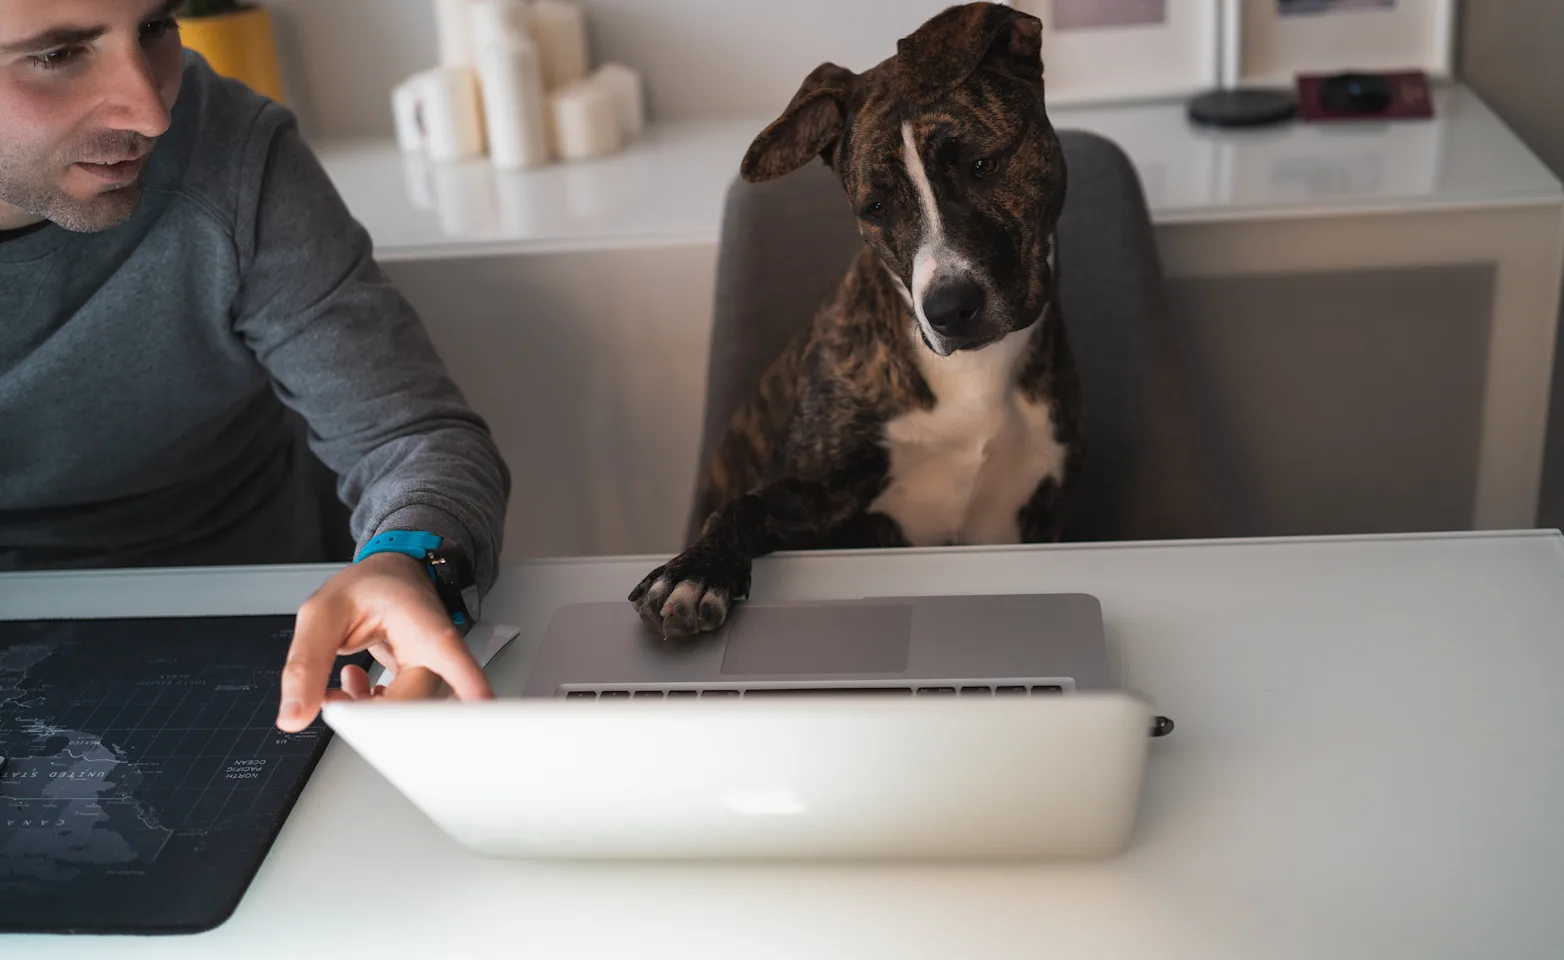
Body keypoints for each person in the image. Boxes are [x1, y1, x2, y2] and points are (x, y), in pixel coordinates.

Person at [0, 0, 511, 731]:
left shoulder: (232, 152)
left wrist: (410, 563)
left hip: (259, 622)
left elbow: (409, 437)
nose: (150, 111)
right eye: (58, 56)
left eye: (154, 29)